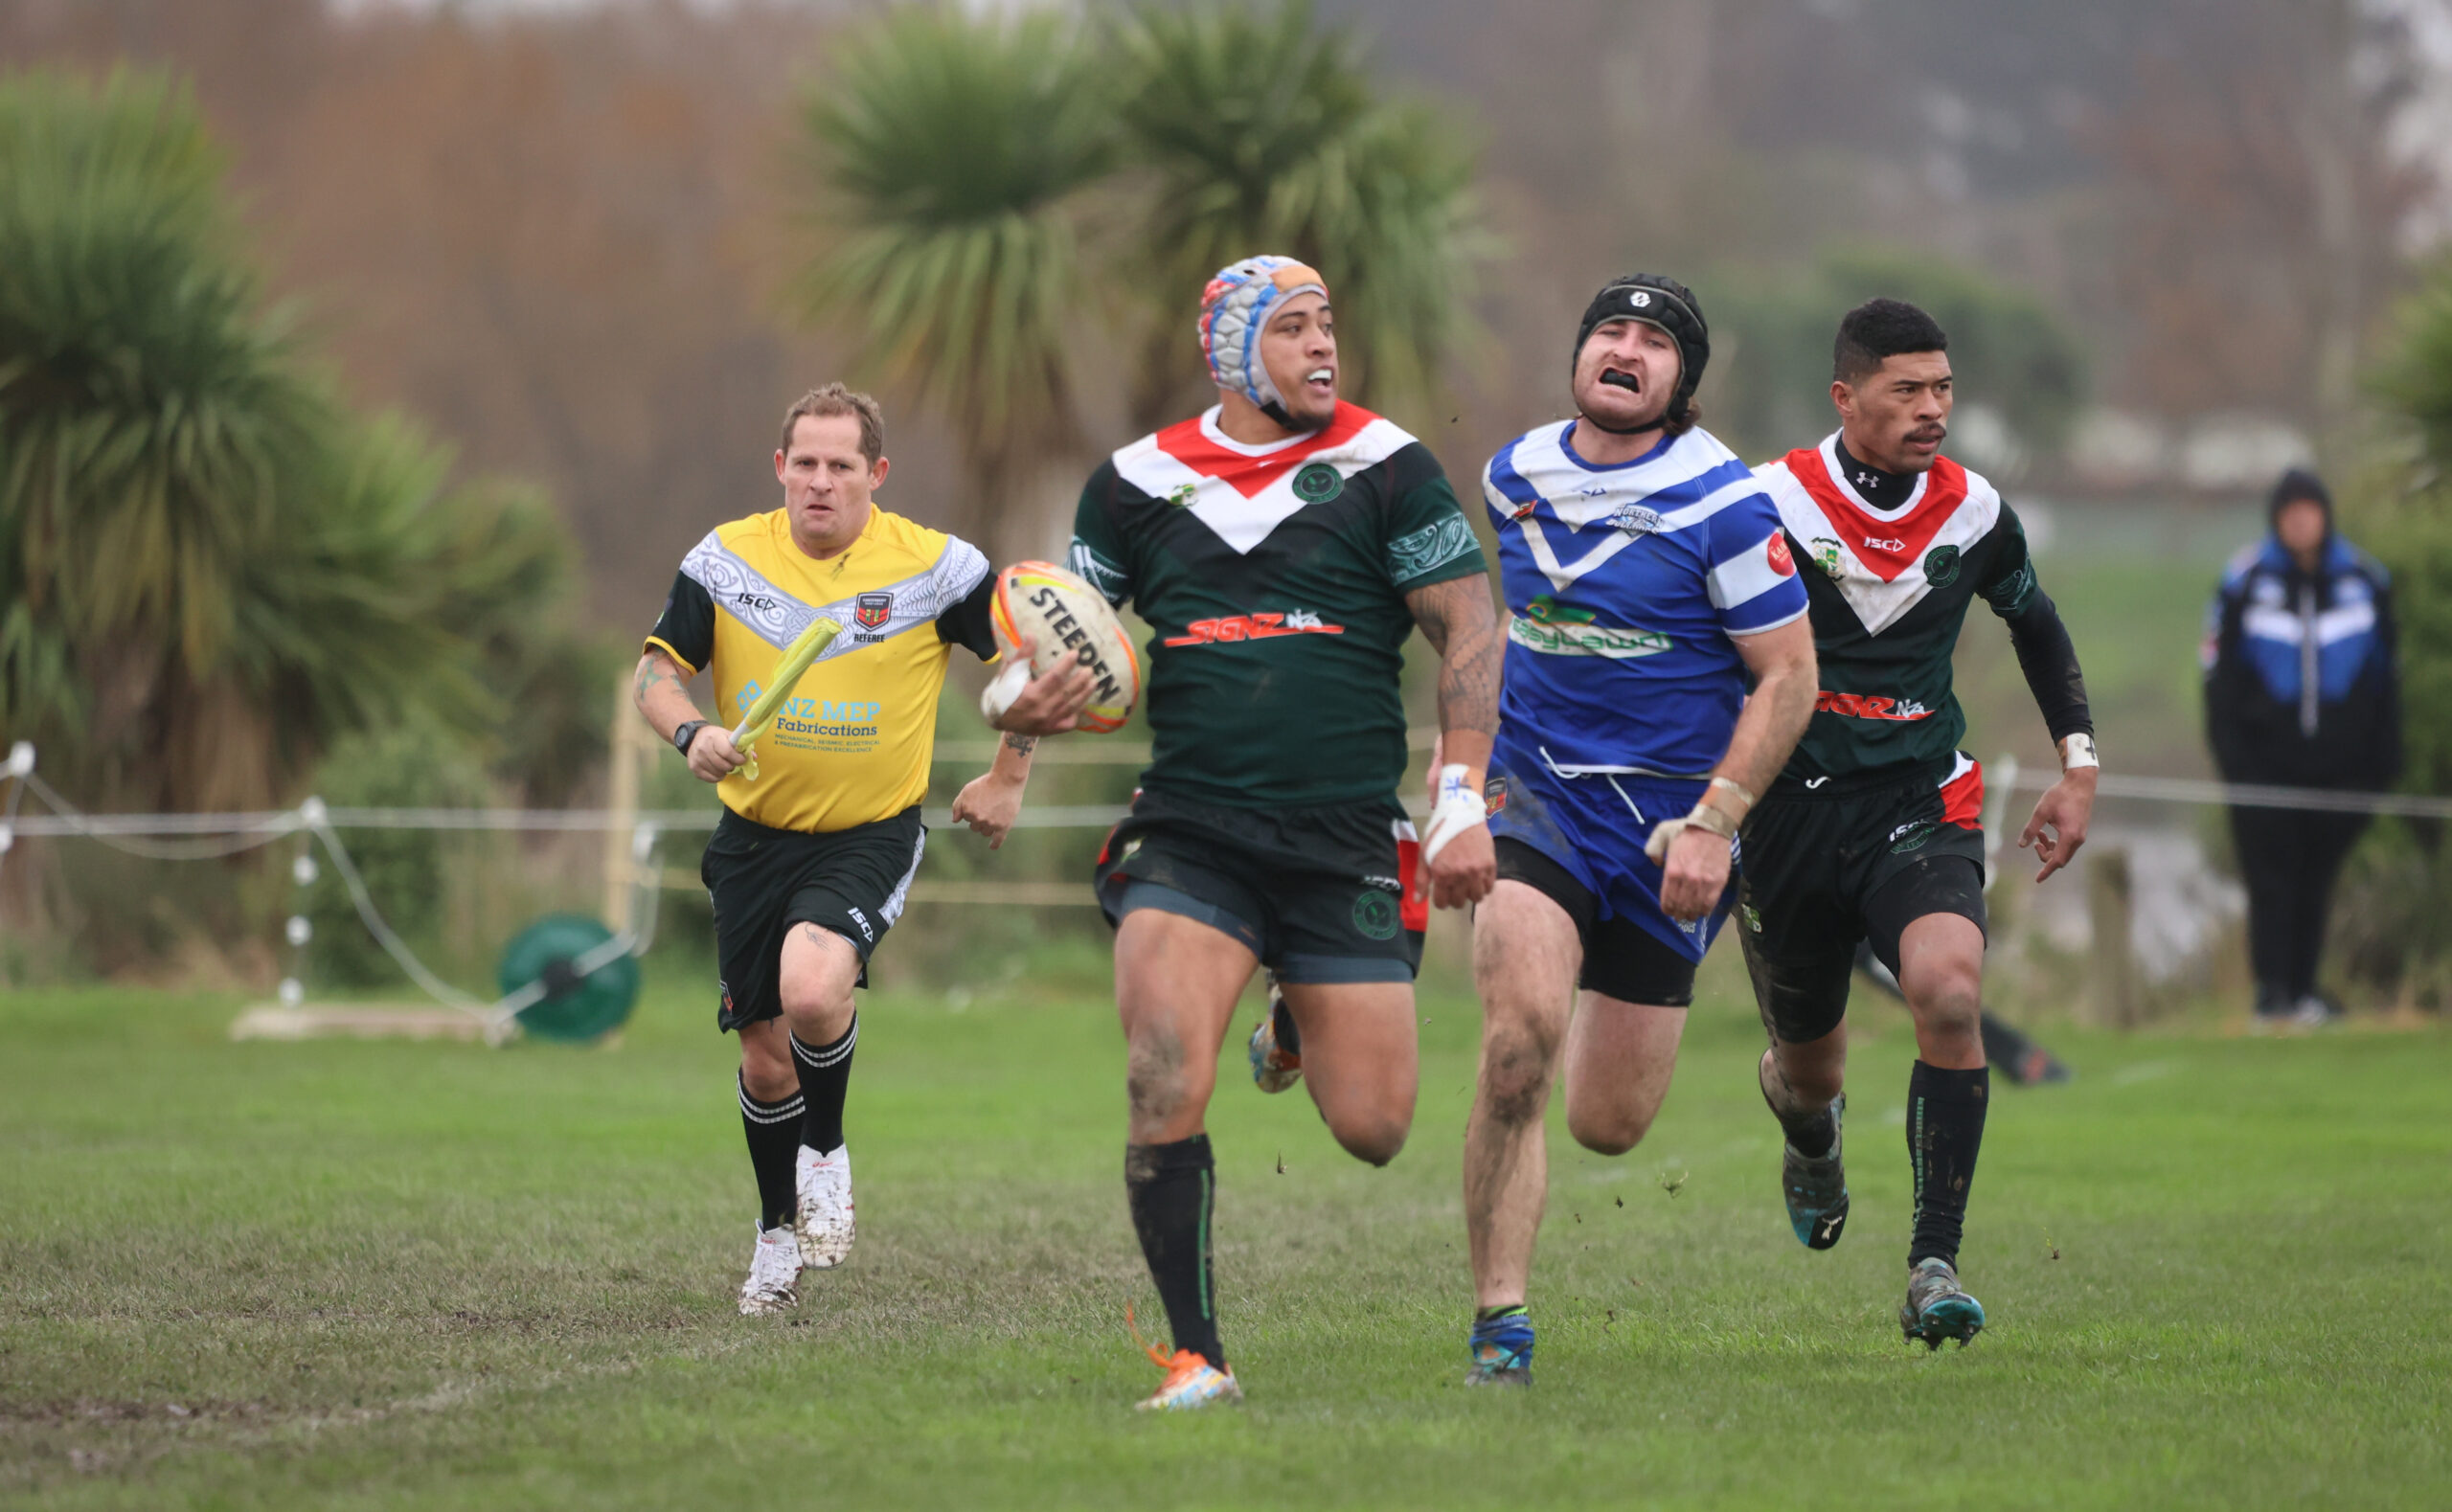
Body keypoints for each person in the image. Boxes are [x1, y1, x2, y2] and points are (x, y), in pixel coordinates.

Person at [1068, 255, 1501, 1410]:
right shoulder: (1133, 483)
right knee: (1162, 1070)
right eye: (1295, 329)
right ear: (1231, 351)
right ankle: (1197, 1354)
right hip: (1190, 826)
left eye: (1328, 327)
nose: (1324, 348)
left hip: (1346, 833)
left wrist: (1458, 796)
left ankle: (1293, 1019)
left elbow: (1469, 624)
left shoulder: (1386, 466)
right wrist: (1016, 733)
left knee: (1375, 1126)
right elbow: (1065, 639)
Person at [633, 384, 1091, 1316]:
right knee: (765, 1056)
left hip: (869, 832)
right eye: (804, 462)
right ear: (779, 468)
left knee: (811, 988)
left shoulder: (935, 568)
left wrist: (1008, 775)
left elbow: (1024, 663)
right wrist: (691, 735)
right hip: (751, 837)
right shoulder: (724, 562)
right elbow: (655, 675)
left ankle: (827, 1151)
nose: (820, 481)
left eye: (842, 465)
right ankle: (772, 1236)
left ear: (875, 475)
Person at [1458, 274, 1818, 1386]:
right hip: (1541, 796)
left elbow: (1790, 678)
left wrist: (1716, 822)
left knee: (1607, 1124)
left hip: (1671, 835)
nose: (1625, 349)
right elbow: (1502, 624)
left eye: (1654, 341)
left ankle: (1787, 1090)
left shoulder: (1723, 502)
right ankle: (1500, 1322)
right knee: (1518, 1038)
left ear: (1682, 383)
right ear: (1579, 353)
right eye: (1609, 330)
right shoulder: (1511, 473)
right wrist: (1458, 783)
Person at [1744, 299, 2098, 1348]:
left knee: (1948, 991)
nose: (1932, 409)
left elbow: (2035, 623)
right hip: (1786, 815)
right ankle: (1808, 1129)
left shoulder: (1976, 512)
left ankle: (1931, 1263)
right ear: (1844, 397)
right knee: (1811, 1069)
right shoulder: (1763, 502)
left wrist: (2078, 765)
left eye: (1942, 388)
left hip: (1919, 801)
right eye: (1906, 390)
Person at [2203, 468, 2400, 1030]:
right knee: (2271, 880)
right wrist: (2235, 761)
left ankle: (2306, 992)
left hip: (2342, 770)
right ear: (2276, 519)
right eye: (2291, 512)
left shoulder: (2366, 579)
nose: (2301, 521)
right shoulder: (2244, 580)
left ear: (2325, 517)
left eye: (2310, 510)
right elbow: (2218, 680)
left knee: (2317, 879)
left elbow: (2388, 681)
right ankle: (2272, 996)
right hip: (2263, 767)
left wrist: (2379, 765)